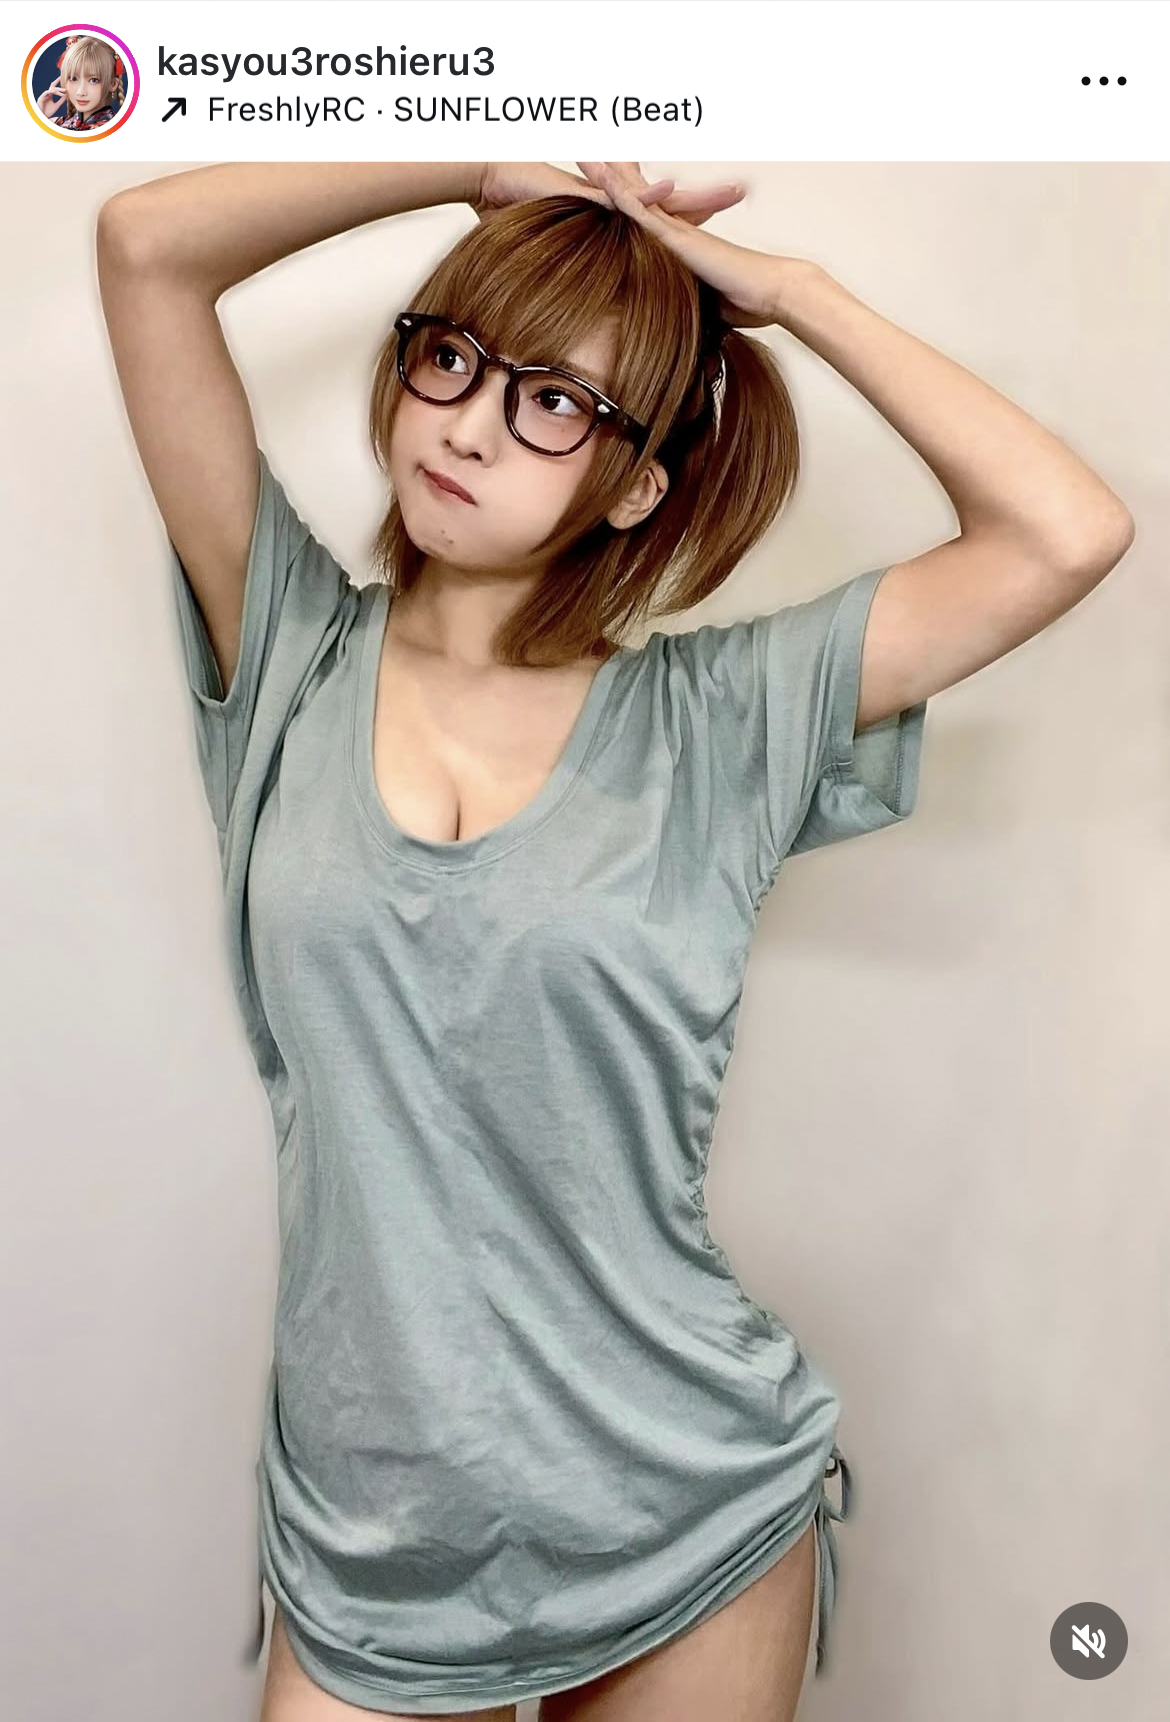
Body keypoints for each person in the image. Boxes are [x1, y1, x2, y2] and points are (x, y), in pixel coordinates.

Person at [95, 162, 1133, 1722]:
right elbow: (145, 248)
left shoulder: (719, 721)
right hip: (374, 1533)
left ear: (637, 484)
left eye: (554, 404)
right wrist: (470, 166)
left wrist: (784, 293)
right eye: (452, 359)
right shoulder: (288, 644)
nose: (467, 425)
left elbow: (1066, 529)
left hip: (682, 1508)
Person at [38, 34, 124, 132]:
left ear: (112, 84)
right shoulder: (55, 123)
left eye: (93, 80)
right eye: (73, 78)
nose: (81, 92)